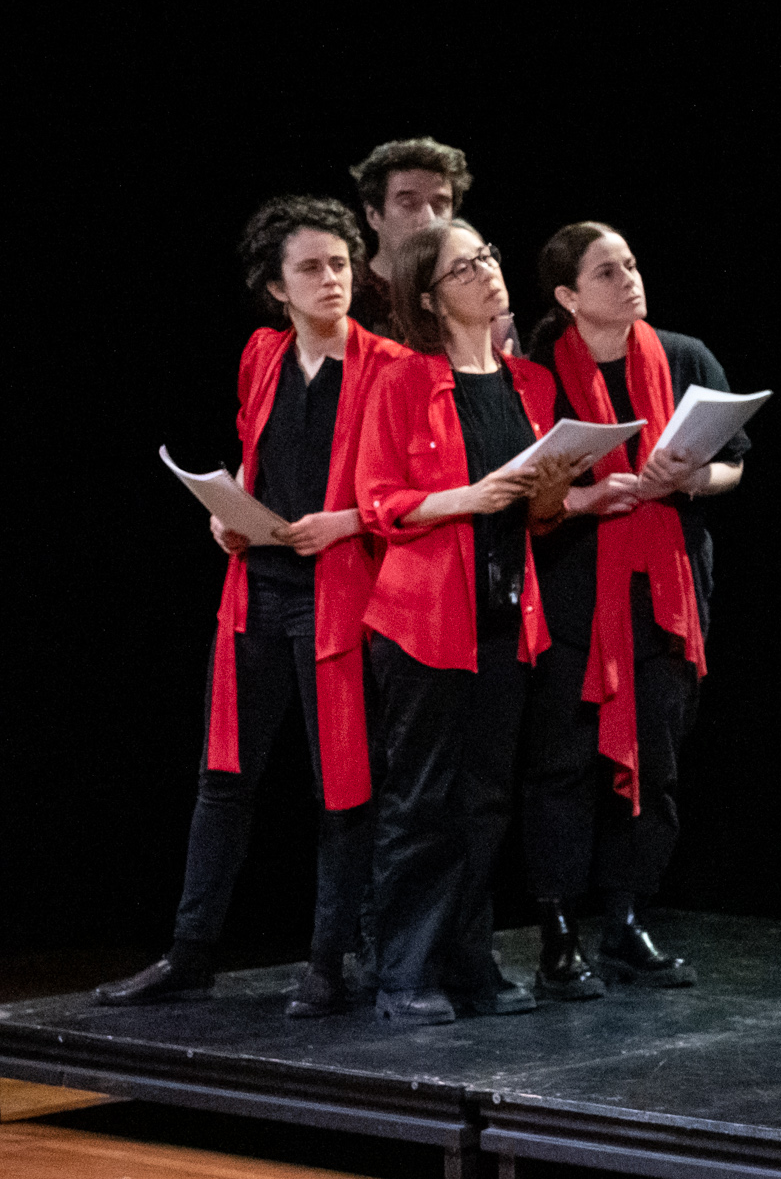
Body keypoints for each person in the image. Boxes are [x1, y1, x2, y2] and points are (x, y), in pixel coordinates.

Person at [96, 197, 411, 1015]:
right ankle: (191, 952)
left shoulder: (388, 365)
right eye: (310, 268)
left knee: (342, 785)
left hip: (339, 593)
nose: (331, 279)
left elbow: (416, 487)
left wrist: (352, 519)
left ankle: (330, 961)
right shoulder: (263, 354)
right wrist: (227, 514)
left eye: (340, 263)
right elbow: (256, 450)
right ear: (276, 286)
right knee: (224, 778)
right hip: (259, 591)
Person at [354, 218, 584, 1022]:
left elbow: (539, 519)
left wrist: (552, 491)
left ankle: (470, 963)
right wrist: (468, 497)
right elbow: (377, 504)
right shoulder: (403, 380)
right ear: (429, 296)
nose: (488, 272)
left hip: (504, 612)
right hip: (422, 621)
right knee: (423, 800)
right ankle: (405, 973)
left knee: (485, 799)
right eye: (465, 267)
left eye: (488, 256)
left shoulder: (529, 384)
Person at [515, 221, 750, 996]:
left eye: (631, 265)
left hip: (666, 595)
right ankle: (556, 929)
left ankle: (624, 920)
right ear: (566, 295)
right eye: (607, 272)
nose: (628, 280)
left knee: (657, 763)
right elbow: (520, 495)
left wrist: (690, 478)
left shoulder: (683, 357)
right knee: (563, 767)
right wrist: (584, 497)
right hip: (571, 594)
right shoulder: (537, 371)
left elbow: (734, 470)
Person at [347, 136, 511, 352]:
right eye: (408, 203)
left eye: (440, 204)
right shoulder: (348, 300)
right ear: (373, 216)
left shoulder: (473, 287)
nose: (429, 219)